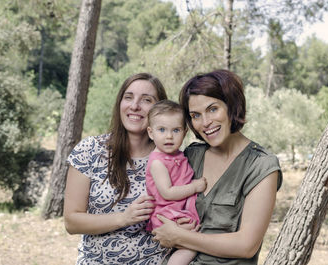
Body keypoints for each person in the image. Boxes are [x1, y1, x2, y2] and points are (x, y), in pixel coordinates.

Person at [152, 69, 283, 265]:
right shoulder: (191, 155)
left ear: (231, 106)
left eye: (213, 109)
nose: (205, 123)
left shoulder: (261, 166)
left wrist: (179, 236)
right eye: (195, 115)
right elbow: (164, 204)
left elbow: (246, 245)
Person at [63, 73, 170, 264]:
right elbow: (71, 221)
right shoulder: (90, 150)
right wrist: (124, 218)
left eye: (146, 100)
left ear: (160, 110)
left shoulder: (171, 159)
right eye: (128, 97)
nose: (135, 105)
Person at [145, 99, 207, 265]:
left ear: (185, 132)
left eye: (176, 130)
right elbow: (168, 192)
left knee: (191, 241)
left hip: (177, 211)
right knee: (190, 246)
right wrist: (194, 186)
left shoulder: (178, 155)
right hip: (167, 214)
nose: (169, 136)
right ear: (151, 133)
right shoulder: (158, 162)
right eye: (162, 130)